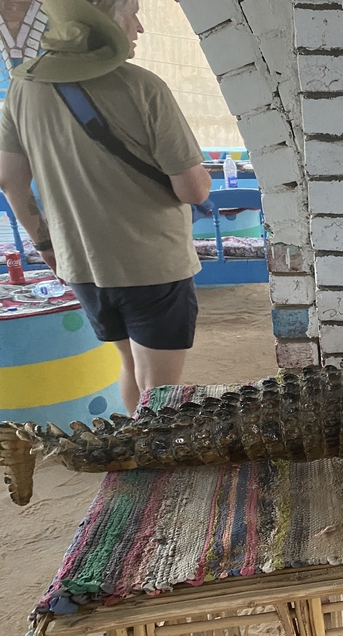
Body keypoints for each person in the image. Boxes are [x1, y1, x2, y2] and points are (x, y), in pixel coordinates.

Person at [0, 0, 211, 414]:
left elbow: (9, 180)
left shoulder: (23, 88)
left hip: (82, 264)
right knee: (161, 390)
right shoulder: (142, 86)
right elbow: (193, 190)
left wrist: (46, 245)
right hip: (152, 263)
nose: (139, 27)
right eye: (132, 13)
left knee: (130, 364)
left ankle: (135, 445)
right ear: (104, 20)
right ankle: (152, 455)